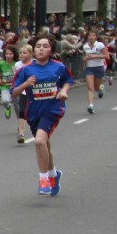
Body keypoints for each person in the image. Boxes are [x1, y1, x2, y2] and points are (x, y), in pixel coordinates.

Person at [11, 35, 70, 195]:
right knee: (44, 144)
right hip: (34, 111)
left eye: (45, 46)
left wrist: (64, 91)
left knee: (38, 142)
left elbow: (67, 80)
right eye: (38, 46)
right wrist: (26, 84)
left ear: (51, 50)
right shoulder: (25, 70)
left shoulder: (58, 67)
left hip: (52, 109)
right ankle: (54, 174)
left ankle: (44, 180)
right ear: (33, 50)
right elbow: (14, 92)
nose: (41, 49)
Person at [80, 29, 107, 113]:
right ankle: (90, 106)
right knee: (90, 87)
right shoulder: (85, 46)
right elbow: (84, 57)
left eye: (93, 35)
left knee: (96, 88)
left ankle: (101, 88)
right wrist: (84, 59)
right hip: (89, 68)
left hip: (99, 67)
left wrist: (94, 56)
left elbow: (106, 56)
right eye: (89, 36)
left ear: (96, 37)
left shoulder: (100, 45)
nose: (91, 37)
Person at [0, 45, 17, 121]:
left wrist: (14, 71)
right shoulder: (1, 64)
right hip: (5, 86)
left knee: (18, 104)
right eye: (7, 54)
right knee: (5, 101)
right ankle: (7, 107)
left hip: (15, 86)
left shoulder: (17, 63)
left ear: (14, 54)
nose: (8, 56)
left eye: (10, 54)